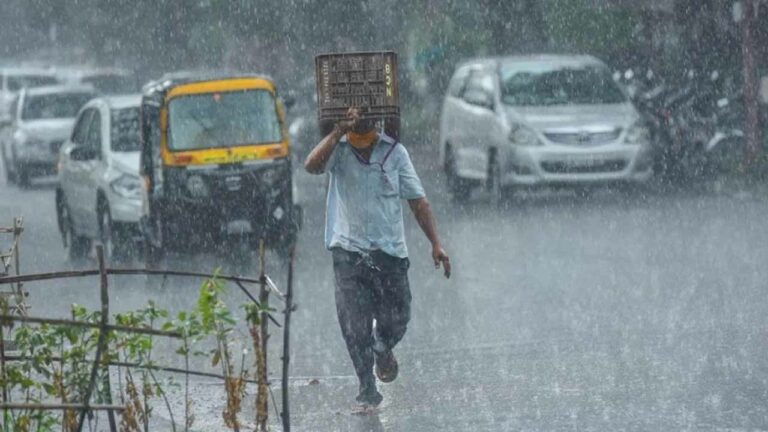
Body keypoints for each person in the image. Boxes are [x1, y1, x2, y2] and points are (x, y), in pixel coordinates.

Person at [304, 107, 451, 408]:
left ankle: (382, 347)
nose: (360, 117)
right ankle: (366, 386)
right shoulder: (339, 151)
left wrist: (435, 243)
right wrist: (337, 132)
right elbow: (312, 166)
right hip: (349, 253)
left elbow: (418, 201)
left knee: (398, 317)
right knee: (354, 326)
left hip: (389, 253)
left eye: (365, 112)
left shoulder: (395, 153)